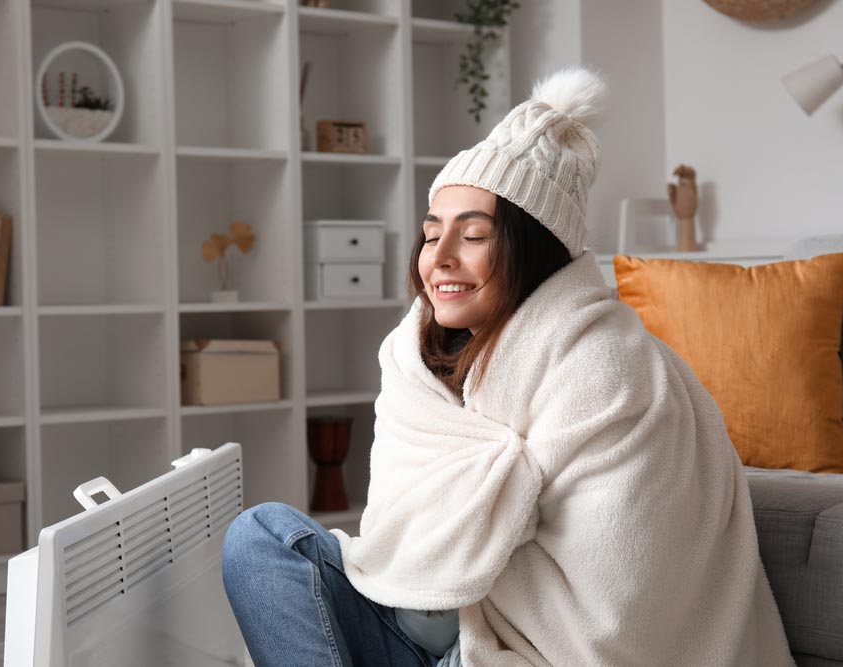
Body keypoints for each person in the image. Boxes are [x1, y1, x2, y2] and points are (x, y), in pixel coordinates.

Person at [221, 66, 794, 666]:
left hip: (530, 651)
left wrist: (478, 544)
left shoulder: (606, 367)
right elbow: (402, 546)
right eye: (430, 233)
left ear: (533, 246)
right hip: (433, 624)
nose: (438, 258)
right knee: (260, 538)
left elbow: (624, 593)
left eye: (472, 236)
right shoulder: (417, 356)